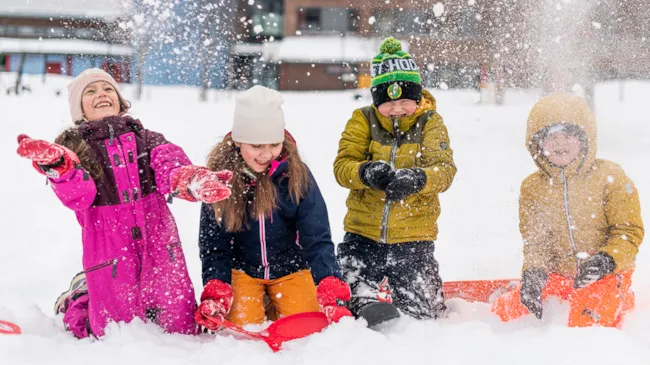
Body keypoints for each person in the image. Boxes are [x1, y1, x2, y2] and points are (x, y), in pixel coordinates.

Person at [16, 68, 232, 338]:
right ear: (79, 109)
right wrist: (61, 168)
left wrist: (190, 179)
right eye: (90, 92)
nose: (101, 94)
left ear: (120, 101)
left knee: (183, 329)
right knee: (110, 333)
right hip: (110, 255)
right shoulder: (78, 149)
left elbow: (169, 164)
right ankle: (78, 298)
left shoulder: (147, 139)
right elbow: (79, 194)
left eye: (107, 89)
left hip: (161, 250)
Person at [194, 85, 351, 329]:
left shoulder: (296, 175)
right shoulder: (220, 180)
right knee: (243, 328)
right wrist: (217, 289)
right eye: (256, 145)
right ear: (239, 141)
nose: (266, 154)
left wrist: (329, 282)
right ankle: (257, 300)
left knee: (309, 326)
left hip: (290, 269)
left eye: (274, 144)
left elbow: (316, 236)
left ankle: (274, 299)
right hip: (243, 270)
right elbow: (215, 245)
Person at [491, 93, 644, 327]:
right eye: (551, 137)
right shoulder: (532, 187)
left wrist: (605, 261)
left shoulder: (610, 177)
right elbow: (536, 242)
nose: (560, 143)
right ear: (537, 143)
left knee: (583, 323)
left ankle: (623, 296)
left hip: (607, 274)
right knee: (505, 315)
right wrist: (534, 273)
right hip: (560, 277)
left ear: (585, 139)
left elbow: (628, 232)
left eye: (569, 134)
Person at [333, 37, 457, 321]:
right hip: (363, 231)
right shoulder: (363, 119)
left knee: (422, 308)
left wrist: (419, 179)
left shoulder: (430, 122)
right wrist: (365, 173)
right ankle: (364, 303)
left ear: (417, 98)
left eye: (404, 101)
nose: (397, 109)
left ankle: (417, 307)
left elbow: (444, 170)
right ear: (377, 101)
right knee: (352, 290)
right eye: (388, 103)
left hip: (413, 235)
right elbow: (342, 166)